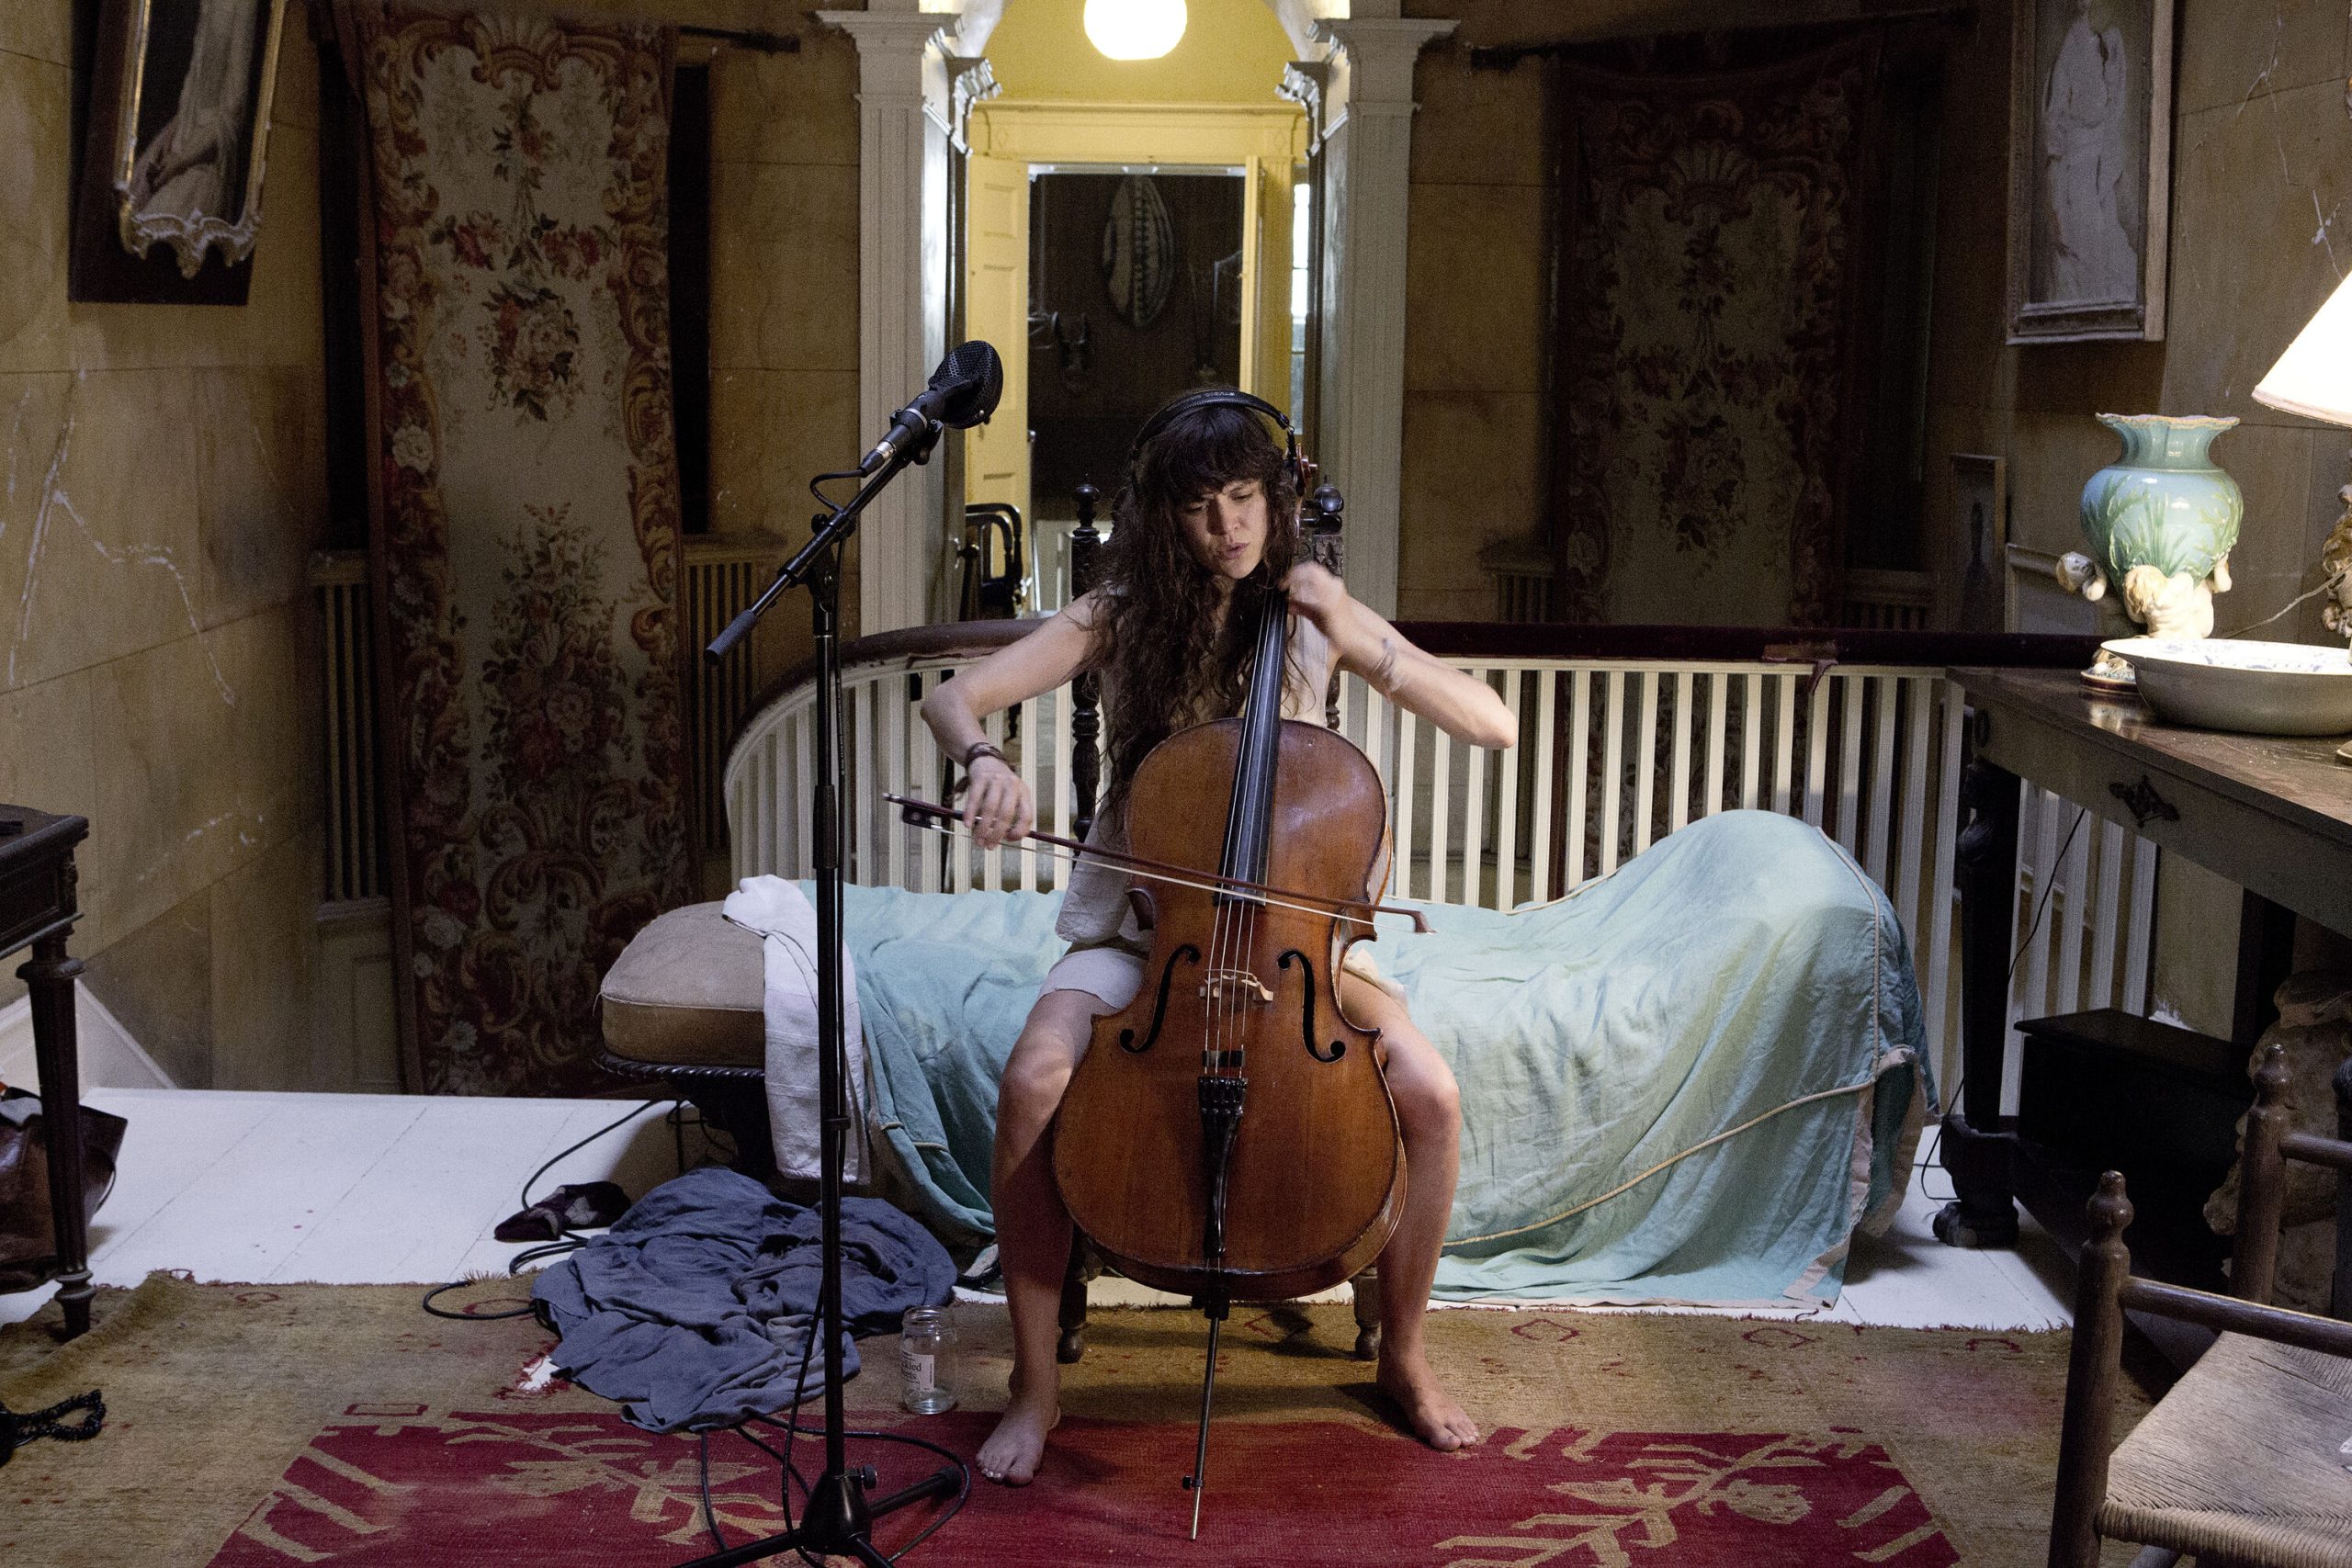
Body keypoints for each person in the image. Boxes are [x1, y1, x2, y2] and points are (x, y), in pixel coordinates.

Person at [919, 392, 1517, 1486]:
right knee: (1032, 1079)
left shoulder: (1311, 611)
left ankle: (1406, 1357)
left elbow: (1493, 722)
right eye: (1201, 506)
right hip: (1150, 935)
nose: (1228, 526)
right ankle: (1034, 1386)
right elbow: (954, 700)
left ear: (1275, 501)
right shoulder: (1115, 615)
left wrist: (1357, 632)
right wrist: (986, 763)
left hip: (1298, 944)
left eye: (1245, 498)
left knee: (1431, 1095)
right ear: (1165, 517)